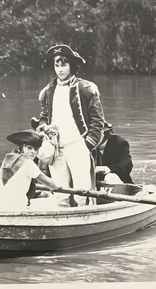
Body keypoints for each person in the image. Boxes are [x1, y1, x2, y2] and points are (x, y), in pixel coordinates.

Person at [37, 44, 105, 207]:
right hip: (56, 148)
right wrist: (44, 127)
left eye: (64, 65)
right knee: (60, 193)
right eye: (57, 65)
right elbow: (43, 117)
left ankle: (88, 222)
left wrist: (86, 145)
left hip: (78, 145)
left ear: (72, 66)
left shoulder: (87, 89)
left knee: (83, 193)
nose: (60, 70)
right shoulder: (47, 91)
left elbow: (98, 121)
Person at [0, 130, 61, 210]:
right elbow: (50, 183)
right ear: (19, 148)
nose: (33, 152)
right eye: (29, 148)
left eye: (36, 149)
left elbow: (16, 185)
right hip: (16, 207)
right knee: (53, 202)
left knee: (43, 196)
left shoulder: (8, 159)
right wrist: (58, 187)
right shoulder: (28, 163)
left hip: (0, 205)